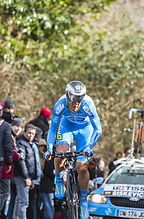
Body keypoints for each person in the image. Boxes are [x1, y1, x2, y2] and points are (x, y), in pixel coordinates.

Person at [44, 81, 102, 219]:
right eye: (73, 100)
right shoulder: (60, 105)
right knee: (60, 153)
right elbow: (53, 128)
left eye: (79, 100)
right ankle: (59, 179)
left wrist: (89, 146)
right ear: (67, 97)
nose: (76, 104)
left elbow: (98, 129)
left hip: (85, 130)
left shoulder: (88, 105)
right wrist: (48, 147)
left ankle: (83, 201)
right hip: (67, 127)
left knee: (82, 168)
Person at [12, 123, 39, 219]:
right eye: (29, 133)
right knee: (23, 202)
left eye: (33, 134)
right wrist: (26, 177)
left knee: (19, 200)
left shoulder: (30, 144)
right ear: (24, 132)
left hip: (28, 176)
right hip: (21, 176)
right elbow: (21, 162)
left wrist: (32, 178)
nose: (30, 135)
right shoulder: (21, 143)